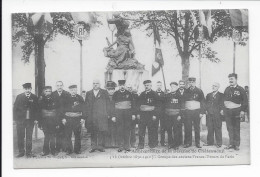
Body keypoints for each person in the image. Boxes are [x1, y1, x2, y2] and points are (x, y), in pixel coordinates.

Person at [13, 83, 39, 157]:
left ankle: (28, 152)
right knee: (20, 136)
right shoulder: (19, 97)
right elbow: (15, 109)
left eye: (29, 88)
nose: (27, 90)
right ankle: (21, 152)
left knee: (29, 137)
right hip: (20, 121)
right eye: (26, 89)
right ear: (24, 89)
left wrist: (36, 119)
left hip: (30, 121)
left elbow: (37, 109)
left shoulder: (34, 97)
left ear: (31, 89)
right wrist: (15, 119)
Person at [223, 73, 248, 151]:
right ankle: (231, 144)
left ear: (236, 79)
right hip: (228, 111)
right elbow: (224, 100)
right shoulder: (227, 89)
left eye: (232, 79)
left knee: (236, 128)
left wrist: (243, 110)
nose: (230, 80)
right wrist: (223, 109)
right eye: (230, 79)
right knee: (229, 128)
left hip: (237, 111)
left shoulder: (240, 89)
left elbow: (245, 101)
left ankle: (236, 144)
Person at [85, 79, 111, 153]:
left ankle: (100, 146)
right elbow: (86, 105)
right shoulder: (88, 93)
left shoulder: (104, 92)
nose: (95, 85)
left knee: (101, 131)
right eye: (94, 83)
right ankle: (93, 146)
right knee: (93, 131)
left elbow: (108, 104)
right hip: (92, 116)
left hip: (101, 115)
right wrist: (86, 115)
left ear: (100, 84)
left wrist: (108, 113)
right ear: (92, 84)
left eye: (97, 83)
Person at [113, 80, 135, 152]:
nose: (122, 86)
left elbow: (133, 105)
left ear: (125, 85)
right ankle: (120, 146)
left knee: (127, 130)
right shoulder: (115, 94)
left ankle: (127, 146)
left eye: (123, 85)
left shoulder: (129, 93)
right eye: (120, 85)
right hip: (119, 115)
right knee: (120, 130)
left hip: (127, 115)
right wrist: (113, 116)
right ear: (119, 86)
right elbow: (113, 106)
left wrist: (133, 114)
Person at [183, 77, 206, 148]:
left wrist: (202, 112)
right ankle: (188, 143)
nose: (191, 83)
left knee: (197, 128)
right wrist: (184, 112)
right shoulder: (186, 91)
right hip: (188, 112)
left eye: (193, 82)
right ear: (188, 83)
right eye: (190, 82)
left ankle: (197, 143)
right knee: (188, 127)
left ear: (195, 83)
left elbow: (203, 102)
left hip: (196, 112)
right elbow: (183, 102)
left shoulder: (199, 91)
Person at [63, 85, 85, 154]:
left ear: (76, 90)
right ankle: (69, 150)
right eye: (72, 90)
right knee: (67, 134)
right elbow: (62, 109)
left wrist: (82, 118)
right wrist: (63, 118)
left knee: (77, 134)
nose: (73, 91)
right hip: (68, 118)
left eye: (74, 90)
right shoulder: (65, 98)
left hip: (77, 119)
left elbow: (84, 109)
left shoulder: (80, 98)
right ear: (69, 91)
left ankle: (77, 150)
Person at [137, 80, 159, 149]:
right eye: (145, 85)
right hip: (143, 115)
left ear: (151, 85)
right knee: (141, 130)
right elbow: (138, 105)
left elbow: (158, 105)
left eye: (148, 85)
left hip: (151, 115)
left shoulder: (155, 94)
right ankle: (141, 144)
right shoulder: (142, 94)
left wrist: (155, 114)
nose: (147, 86)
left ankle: (151, 144)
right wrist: (138, 113)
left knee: (151, 130)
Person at [38, 86, 59, 156]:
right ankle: (45, 151)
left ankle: (53, 150)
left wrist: (57, 123)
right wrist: (40, 124)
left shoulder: (55, 99)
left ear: (51, 92)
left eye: (49, 91)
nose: (48, 93)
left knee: (53, 136)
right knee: (46, 136)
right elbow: (39, 113)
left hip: (53, 121)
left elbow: (57, 112)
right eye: (46, 91)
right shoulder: (41, 100)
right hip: (45, 121)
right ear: (44, 92)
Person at [164, 82, 184, 149]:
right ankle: (170, 143)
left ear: (177, 87)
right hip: (168, 115)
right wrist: (165, 95)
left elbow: (182, 106)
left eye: (174, 87)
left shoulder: (179, 96)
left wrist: (180, 115)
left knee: (176, 130)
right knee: (169, 129)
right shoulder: (167, 95)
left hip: (176, 115)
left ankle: (176, 144)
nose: (172, 88)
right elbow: (164, 104)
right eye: (171, 86)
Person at [204, 83, 224, 148]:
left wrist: (222, 110)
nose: (213, 87)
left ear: (218, 87)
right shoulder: (208, 95)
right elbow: (205, 104)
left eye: (215, 86)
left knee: (218, 128)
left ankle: (219, 143)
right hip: (209, 114)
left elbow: (223, 104)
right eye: (213, 86)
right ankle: (210, 142)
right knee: (210, 128)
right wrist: (206, 110)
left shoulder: (221, 95)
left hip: (217, 114)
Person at [52, 81, 70, 153]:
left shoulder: (67, 94)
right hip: (55, 117)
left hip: (64, 117)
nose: (59, 87)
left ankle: (64, 147)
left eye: (60, 85)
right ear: (56, 86)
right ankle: (57, 148)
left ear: (63, 86)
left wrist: (65, 118)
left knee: (64, 133)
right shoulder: (53, 94)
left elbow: (68, 107)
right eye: (58, 85)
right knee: (56, 133)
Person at [104, 81, 119, 148]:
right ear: (107, 90)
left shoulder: (117, 97)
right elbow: (103, 107)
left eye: (112, 89)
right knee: (107, 130)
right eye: (109, 89)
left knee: (114, 129)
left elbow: (118, 107)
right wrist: (106, 114)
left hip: (115, 117)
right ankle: (107, 144)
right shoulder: (104, 97)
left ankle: (114, 143)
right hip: (106, 116)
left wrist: (115, 116)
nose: (111, 91)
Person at [155, 81, 166, 146]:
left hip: (163, 113)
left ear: (161, 86)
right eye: (158, 85)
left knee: (163, 128)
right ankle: (156, 141)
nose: (159, 86)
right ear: (156, 86)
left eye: (160, 85)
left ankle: (162, 141)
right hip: (156, 113)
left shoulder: (164, 94)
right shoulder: (153, 93)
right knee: (155, 127)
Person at [177, 80, 186, 145]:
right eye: (180, 84)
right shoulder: (176, 92)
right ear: (179, 85)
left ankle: (186, 142)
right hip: (178, 112)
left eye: (183, 84)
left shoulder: (188, 91)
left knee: (187, 127)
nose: (181, 85)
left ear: (184, 85)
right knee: (178, 127)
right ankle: (179, 141)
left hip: (186, 112)